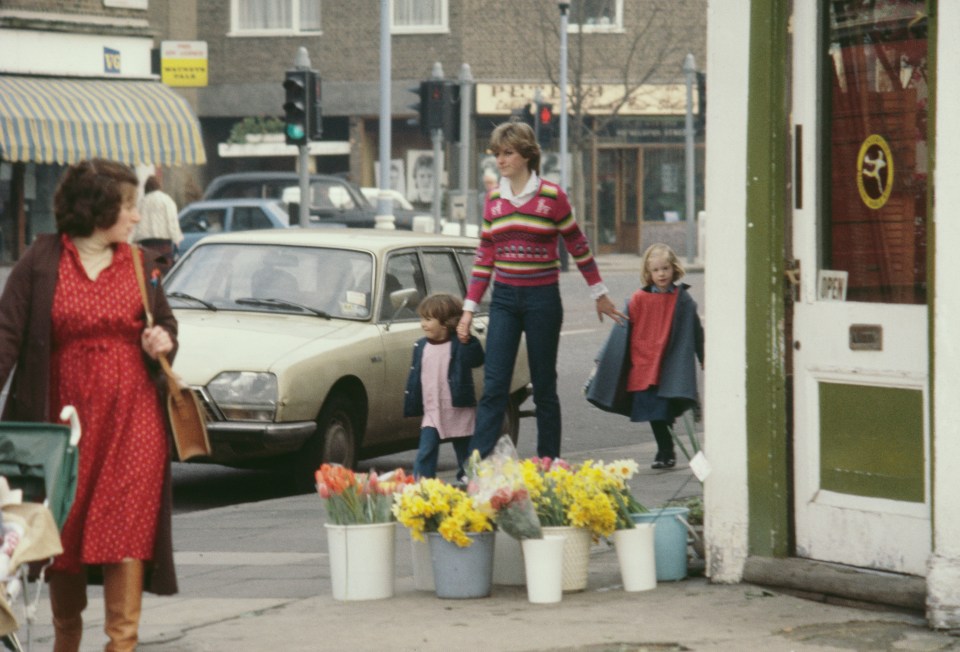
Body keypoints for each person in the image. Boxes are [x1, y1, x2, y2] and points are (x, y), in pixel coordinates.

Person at [0, 159, 179, 651]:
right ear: (97, 209)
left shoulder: (142, 265)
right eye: (127, 207)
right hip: (64, 426)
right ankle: (66, 642)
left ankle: (122, 644)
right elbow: (6, 337)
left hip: (133, 420)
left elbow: (166, 325)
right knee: (66, 532)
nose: (137, 218)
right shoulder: (41, 262)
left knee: (125, 530)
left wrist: (162, 340)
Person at [457, 121, 625, 460]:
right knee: (494, 386)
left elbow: (577, 244)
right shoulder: (493, 201)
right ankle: (475, 468)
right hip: (504, 298)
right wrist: (468, 310)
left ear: (527, 155)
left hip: (542, 299)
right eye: (497, 154)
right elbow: (484, 256)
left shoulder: (551, 197)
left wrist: (600, 293)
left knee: (545, 385)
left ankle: (549, 463)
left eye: (507, 153)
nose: (500, 160)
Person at [627, 243, 704, 469]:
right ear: (648, 273)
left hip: (670, 363)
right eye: (656, 270)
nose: (661, 274)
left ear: (674, 269)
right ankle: (665, 449)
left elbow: (695, 330)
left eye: (666, 268)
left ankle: (666, 450)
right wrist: (604, 361)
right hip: (645, 362)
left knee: (664, 407)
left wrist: (703, 356)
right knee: (654, 408)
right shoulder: (639, 298)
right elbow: (622, 331)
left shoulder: (682, 299)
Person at [404, 293, 484, 481]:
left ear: (446, 322)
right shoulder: (421, 345)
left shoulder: (458, 344)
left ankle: (470, 479)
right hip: (432, 408)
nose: (423, 324)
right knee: (426, 449)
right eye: (422, 318)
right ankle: (423, 485)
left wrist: (468, 340)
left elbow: (477, 360)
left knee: (465, 449)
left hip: (458, 407)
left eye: (429, 319)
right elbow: (416, 377)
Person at [132, 175, 183, 274]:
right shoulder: (167, 200)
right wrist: (177, 238)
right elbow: (172, 221)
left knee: (150, 270)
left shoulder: (142, 202)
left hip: (146, 245)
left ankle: (154, 287)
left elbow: (136, 224)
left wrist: (132, 241)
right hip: (163, 244)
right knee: (164, 268)